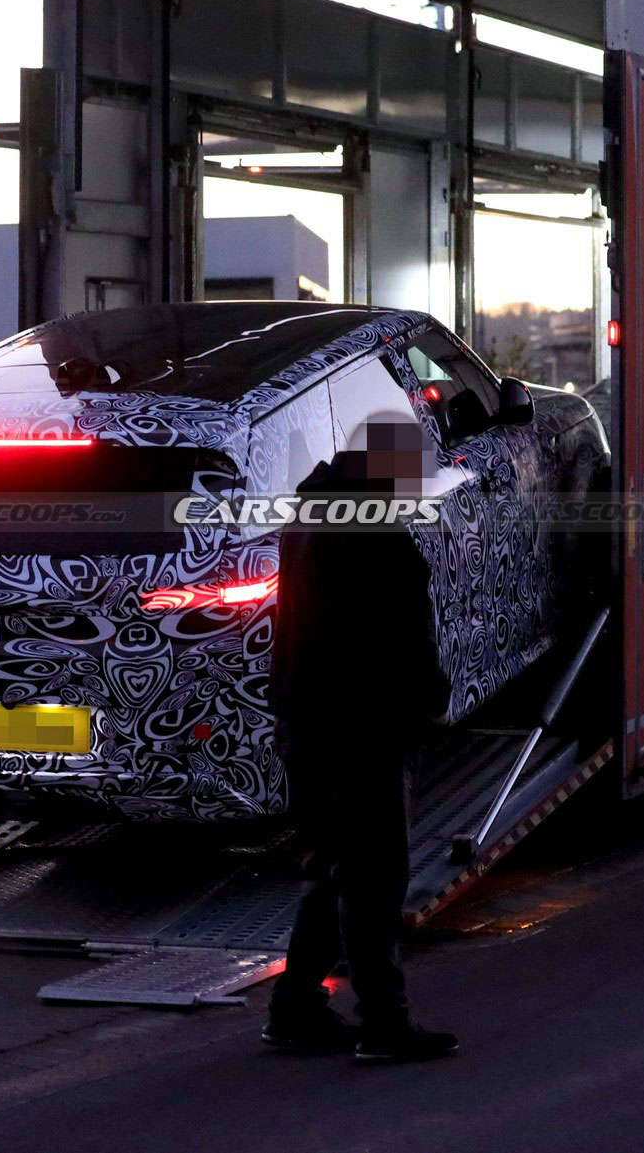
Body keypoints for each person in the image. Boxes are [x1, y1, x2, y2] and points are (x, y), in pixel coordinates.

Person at [263, 419, 459, 1063]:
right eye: (414, 479)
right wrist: (428, 697)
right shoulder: (371, 531)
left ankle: (296, 1010)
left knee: (331, 871)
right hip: (363, 728)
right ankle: (384, 1023)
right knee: (375, 879)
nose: (417, 492)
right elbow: (395, 632)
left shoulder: (310, 516)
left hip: (307, 722)